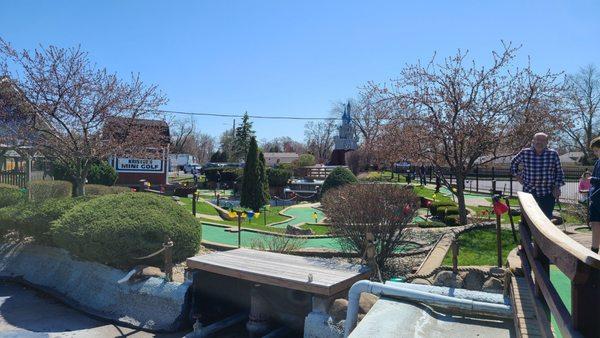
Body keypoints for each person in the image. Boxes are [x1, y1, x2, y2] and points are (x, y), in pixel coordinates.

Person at [511, 133, 565, 219]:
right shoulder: (525, 152)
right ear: (533, 141)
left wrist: (557, 187)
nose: (539, 142)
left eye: (543, 140)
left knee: (546, 220)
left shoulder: (553, 154)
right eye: (537, 139)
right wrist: (517, 176)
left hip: (547, 193)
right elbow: (513, 163)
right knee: (528, 220)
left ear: (547, 142)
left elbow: (559, 172)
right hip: (529, 192)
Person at [586, 138, 600, 253]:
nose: (595, 153)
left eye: (596, 150)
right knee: (595, 224)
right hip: (595, 200)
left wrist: (592, 179)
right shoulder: (597, 162)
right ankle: (594, 250)